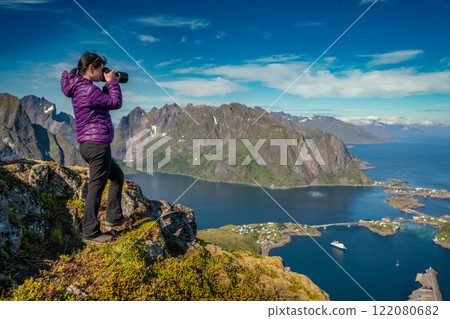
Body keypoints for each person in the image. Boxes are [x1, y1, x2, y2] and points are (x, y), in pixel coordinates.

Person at [61, 51, 129, 243]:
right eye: (101, 69)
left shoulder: (82, 88)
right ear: (91, 68)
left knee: (117, 177)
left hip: (88, 144)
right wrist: (112, 82)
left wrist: (109, 83)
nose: (102, 73)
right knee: (96, 188)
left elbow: (103, 103)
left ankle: (114, 217)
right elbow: (115, 103)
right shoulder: (88, 90)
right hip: (97, 145)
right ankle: (90, 232)